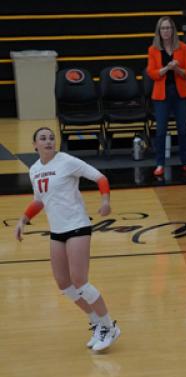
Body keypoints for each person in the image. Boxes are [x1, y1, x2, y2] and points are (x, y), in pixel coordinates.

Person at [14, 128, 120, 352]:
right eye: (43, 138)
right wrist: (23, 219)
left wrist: (105, 201)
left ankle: (109, 326)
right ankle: (96, 322)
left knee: (80, 280)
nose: (48, 141)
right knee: (64, 283)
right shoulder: (34, 170)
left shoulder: (67, 161)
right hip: (57, 230)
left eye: (51, 138)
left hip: (78, 226)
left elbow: (100, 178)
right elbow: (40, 201)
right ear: (35, 145)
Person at [147, 16, 186, 178]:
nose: (166, 31)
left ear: (173, 30)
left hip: (180, 93)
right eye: (163, 28)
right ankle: (160, 164)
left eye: (168, 28)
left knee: (183, 130)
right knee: (161, 130)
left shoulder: (183, 47)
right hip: (161, 94)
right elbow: (152, 74)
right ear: (159, 31)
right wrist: (166, 68)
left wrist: (176, 69)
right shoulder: (153, 49)